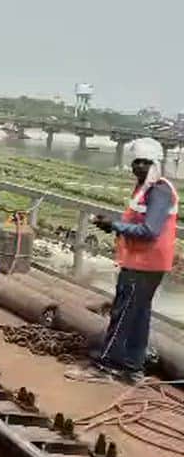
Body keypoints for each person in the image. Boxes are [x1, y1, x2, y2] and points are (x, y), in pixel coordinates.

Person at [66, 138, 176, 385]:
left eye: (145, 163)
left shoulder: (159, 190)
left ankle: (106, 366)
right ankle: (132, 368)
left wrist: (115, 225)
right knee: (138, 316)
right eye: (136, 162)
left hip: (145, 264)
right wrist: (115, 225)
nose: (138, 167)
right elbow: (138, 223)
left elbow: (150, 230)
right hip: (143, 262)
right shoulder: (145, 188)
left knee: (123, 313)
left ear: (156, 163)